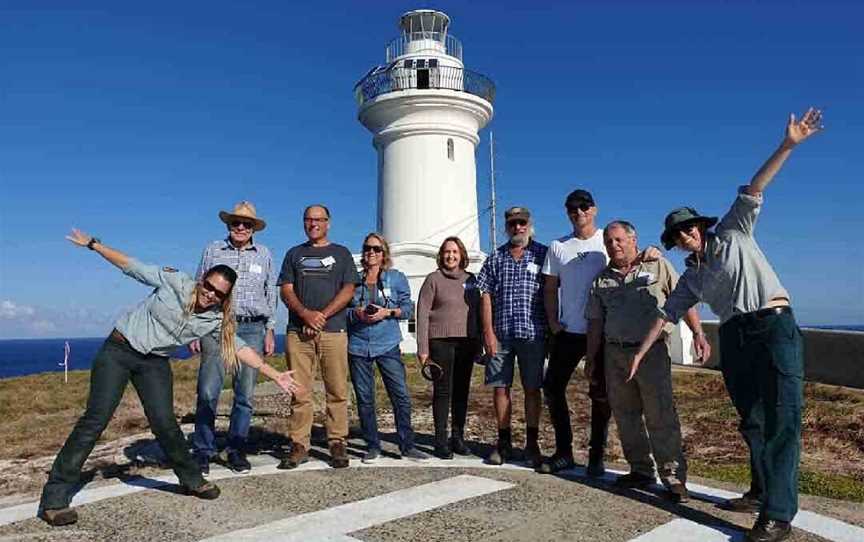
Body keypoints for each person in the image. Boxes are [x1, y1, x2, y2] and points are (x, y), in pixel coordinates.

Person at [629, 108, 822, 542]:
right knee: (752, 421)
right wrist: (640, 353)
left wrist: (787, 144)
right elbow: (666, 314)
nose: (684, 237)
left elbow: (756, 187)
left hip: (773, 327)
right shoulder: (693, 275)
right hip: (734, 336)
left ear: (700, 226)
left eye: (687, 228)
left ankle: (778, 515)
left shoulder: (734, 231)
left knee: (781, 419)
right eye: (676, 235)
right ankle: (759, 490)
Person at [38, 229, 298, 527]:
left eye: (218, 293)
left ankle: (191, 479)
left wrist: (274, 374)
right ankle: (54, 498)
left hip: (154, 362)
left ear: (224, 298)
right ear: (203, 280)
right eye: (209, 285)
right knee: (95, 419)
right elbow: (131, 266)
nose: (210, 294)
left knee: (165, 423)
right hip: (119, 351)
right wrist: (94, 245)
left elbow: (238, 348)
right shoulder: (174, 281)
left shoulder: (215, 318)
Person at [585, 220, 709, 503]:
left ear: (633, 239)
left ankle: (674, 477)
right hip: (614, 354)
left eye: (618, 239)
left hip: (651, 353)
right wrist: (592, 358)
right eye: (608, 242)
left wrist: (698, 333)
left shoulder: (658, 266)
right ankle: (640, 469)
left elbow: (684, 299)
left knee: (660, 415)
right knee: (626, 416)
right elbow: (595, 321)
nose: (613, 245)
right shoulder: (601, 279)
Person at [541, 189, 662, 475]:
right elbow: (549, 288)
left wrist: (652, 251)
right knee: (553, 388)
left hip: (603, 332)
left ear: (594, 209)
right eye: (572, 207)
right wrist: (553, 322)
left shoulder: (606, 240)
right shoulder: (557, 246)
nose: (578, 212)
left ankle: (596, 457)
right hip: (569, 330)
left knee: (600, 394)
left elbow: (630, 258)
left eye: (584, 206)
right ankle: (564, 451)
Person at [190, 201, 278, 475]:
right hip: (216, 326)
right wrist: (194, 327)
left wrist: (270, 329)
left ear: (254, 229)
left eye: (247, 224)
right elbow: (198, 287)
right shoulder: (212, 250)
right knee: (207, 391)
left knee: (245, 395)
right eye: (235, 223)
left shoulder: (264, 254)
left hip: (253, 328)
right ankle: (203, 450)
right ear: (228, 225)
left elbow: (270, 293)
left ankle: (236, 449)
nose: (240, 227)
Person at [277, 204, 360, 469]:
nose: (313, 224)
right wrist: (305, 315)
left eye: (319, 219)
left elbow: (348, 289)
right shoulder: (294, 254)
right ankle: (300, 443)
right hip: (298, 333)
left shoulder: (342, 253)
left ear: (328, 222)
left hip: (333, 331)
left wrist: (321, 315)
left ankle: (337, 441)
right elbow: (286, 290)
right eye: (308, 219)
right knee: (299, 390)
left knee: (336, 389)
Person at [347, 233, 429, 463]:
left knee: (400, 395)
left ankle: (406, 445)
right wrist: (357, 313)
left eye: (376, 249)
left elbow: (407, 308)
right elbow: (342, 313)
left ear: (384, 254)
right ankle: (373, 446)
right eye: (367, 248)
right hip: (358, 346)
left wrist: (387, 312)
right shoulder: (353, 281)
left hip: (388, 344)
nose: (370, 253)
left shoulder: (396, 278)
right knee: (365, 398)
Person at [476, 207, 547, 467]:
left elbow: (552, 290)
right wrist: (488, 334)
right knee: (500, 387)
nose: (518, 227)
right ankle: (503, 441)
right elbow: (485, 295)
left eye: (522, 223)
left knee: (532, 388)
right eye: (513, 223)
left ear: (529, 224)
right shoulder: (496, 257)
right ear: (506, 227)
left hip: (533, 333)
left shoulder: (543, 254)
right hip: (501, 334)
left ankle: (532, 443)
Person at [416, 236, 481, 459]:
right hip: (440, 342)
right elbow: (422, 314)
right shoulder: (432, 279)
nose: (451, 256)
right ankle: (441, 440)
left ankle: (458, 437)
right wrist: (423, 349)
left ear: (462, 255)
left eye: (454, 252)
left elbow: (477, 312)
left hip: (466, 342)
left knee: (462, 391)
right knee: (442, 391)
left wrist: (479, 342)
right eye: (447, 252)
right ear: (441, 255)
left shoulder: (471, 280)